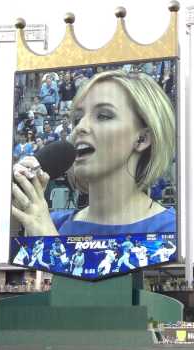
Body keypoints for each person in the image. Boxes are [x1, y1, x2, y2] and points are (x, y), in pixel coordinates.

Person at [10, 70, 176, 238]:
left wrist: (47, 245)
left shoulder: (177, 233)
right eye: (77, 119)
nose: (79, 127)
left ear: (142, 138)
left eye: (103, 116)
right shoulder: (49, 223)